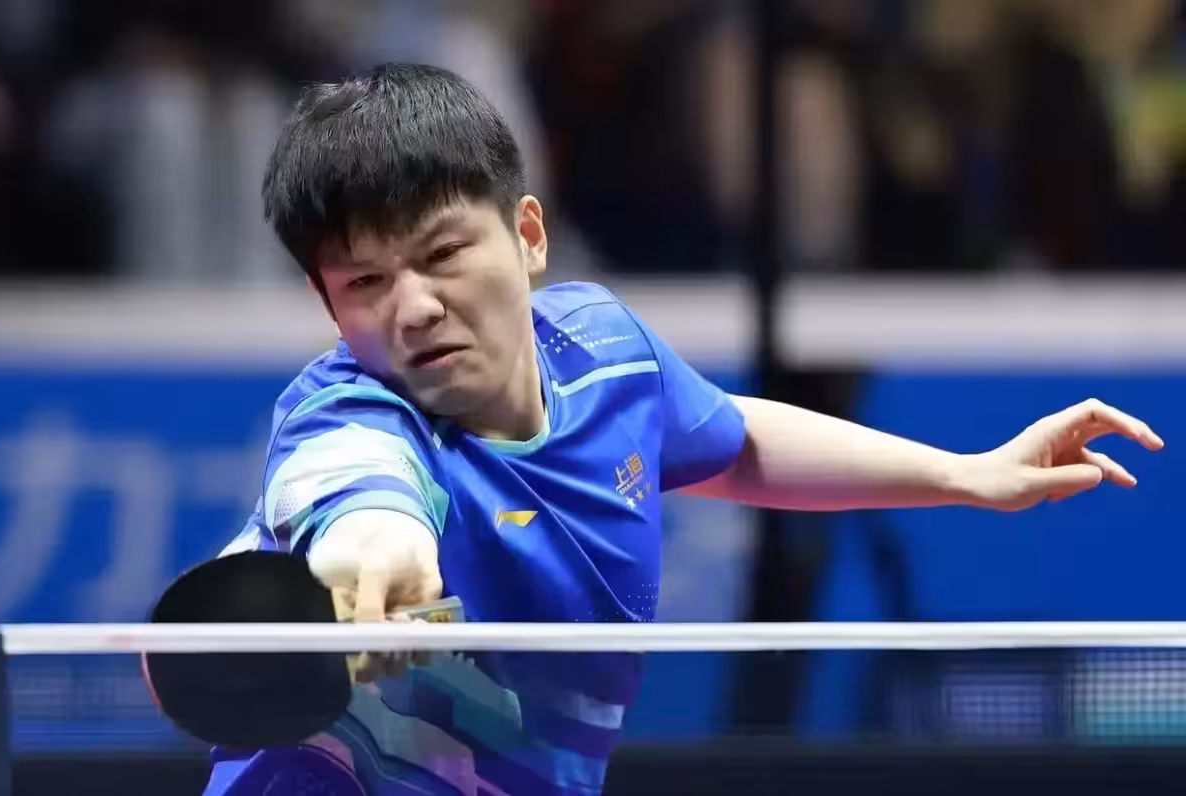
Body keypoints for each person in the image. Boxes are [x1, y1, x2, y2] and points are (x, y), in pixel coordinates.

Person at [207, 63, 1162, 796]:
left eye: (443, 252)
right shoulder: (344, 415)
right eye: (366, 282)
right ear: (328, 306)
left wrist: (966, 474)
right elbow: (358, 495)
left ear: (529, 236)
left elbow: (732, 440)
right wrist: (378, 549)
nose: (413, 307)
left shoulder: (606, 353)